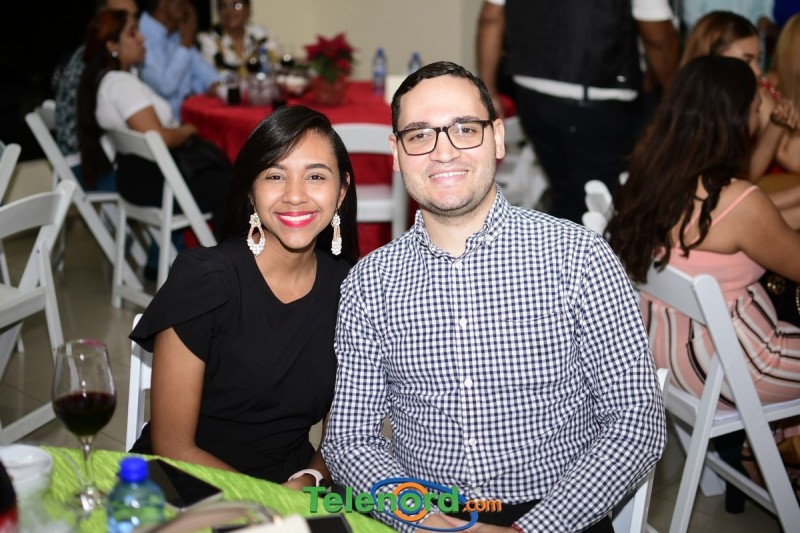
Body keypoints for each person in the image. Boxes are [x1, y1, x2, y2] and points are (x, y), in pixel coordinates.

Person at [322, 61, 667, 532]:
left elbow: (635, 421)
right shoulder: (369, 283)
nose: (444, 152)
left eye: (465, 129)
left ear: (498, 138)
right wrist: (428, 522)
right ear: (397, 153)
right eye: (419, 135)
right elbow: (350, 441)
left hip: (557, 512)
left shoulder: (578, 257)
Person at [128, 104, 360, 486]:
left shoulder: (351, 291)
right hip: (186, 482)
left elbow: (343, 435)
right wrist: (265, 504)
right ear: (252, 191)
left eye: (316, 176)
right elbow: (173, 446)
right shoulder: (204, 279)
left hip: (291, 486)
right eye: (275, 176)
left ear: (341, 192)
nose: (295, 195)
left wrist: (309, 478)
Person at [605, 56, 800, 505]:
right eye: (755, 110)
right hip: (737, 365)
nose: (758, 120)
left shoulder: (654, 181)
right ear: (734, 119)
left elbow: (757, 226)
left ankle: (761, 453)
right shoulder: (738, 201)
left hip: (665, 356)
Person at [476, 0, 679, 224]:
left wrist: (489, 91)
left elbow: (490, 18)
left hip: (531, 93)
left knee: (566, 195)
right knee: (604, 203)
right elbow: (657, 37)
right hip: (597, 97)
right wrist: (675, 94)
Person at [76, 9, 231, 236]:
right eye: (132, 33)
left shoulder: (106, 81)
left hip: (137, 180)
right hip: (156, 184)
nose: (142, 38)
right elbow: (160, 138)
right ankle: (234, 254)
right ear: (112, 46)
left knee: (226, 176)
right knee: (235, 185)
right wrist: (189, 129)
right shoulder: (121, 85)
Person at [53, 0, 139, 191]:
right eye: (121, 16)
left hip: (82, 162)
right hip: (88, 168)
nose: (131, 22)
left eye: (134, 16)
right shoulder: (101, 69)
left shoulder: (93, 56)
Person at [138, 0, 222, 119]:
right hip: (166, 123)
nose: (188, 6)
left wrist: (215, 83)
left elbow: (206, 73)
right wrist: (185, 44)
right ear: (162, 2)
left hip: (191, 115)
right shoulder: (140, 35)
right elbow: (165, 87)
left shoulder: (175, 31)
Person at [197, 0, 279, 78]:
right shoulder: (208, 39)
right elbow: (211, 76)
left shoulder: (262, 35)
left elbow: (275, 66)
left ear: (248, 8)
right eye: (224, 6)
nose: (230, 11)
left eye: (236, 5)